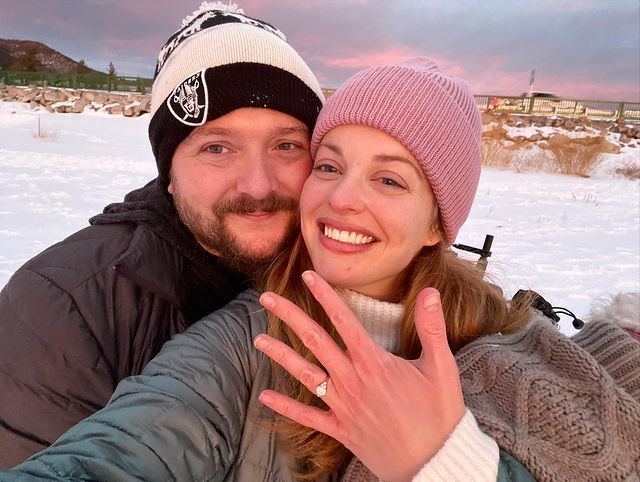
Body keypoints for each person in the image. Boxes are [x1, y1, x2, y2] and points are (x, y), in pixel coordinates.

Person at [5, 59, 639, 481]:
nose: (340, 200)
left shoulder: (509, 334)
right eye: (329, 165)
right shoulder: (245, 345)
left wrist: (449, 460)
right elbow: (120, 452)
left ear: (440, 224)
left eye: (388, 179)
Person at [0, 2, 324, 469]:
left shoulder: (353, 271)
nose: (258, 184)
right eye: (217, 147)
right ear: (168, 173)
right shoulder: (63, 307)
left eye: (287, 145)